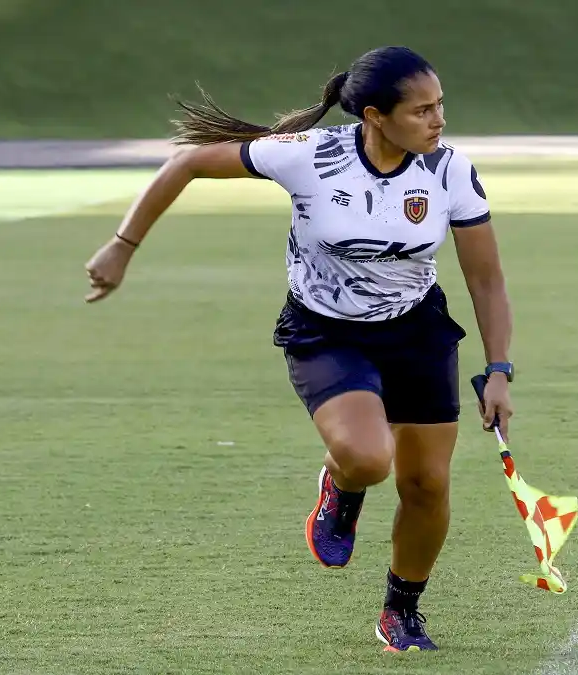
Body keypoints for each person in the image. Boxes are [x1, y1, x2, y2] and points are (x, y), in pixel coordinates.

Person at [82, 46, 515, 653]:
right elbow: (185, 164)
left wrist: (498, 370)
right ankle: (341, 487)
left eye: (440, 105)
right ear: (374, 115)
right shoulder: (310, 156)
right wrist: (122, 246)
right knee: (368, 459)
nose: (438, 120)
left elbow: (486, 280)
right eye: (421, 110)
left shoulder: (449, 172)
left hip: (417, 332)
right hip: (327, 332)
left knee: (426, 486)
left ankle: (401, 609)